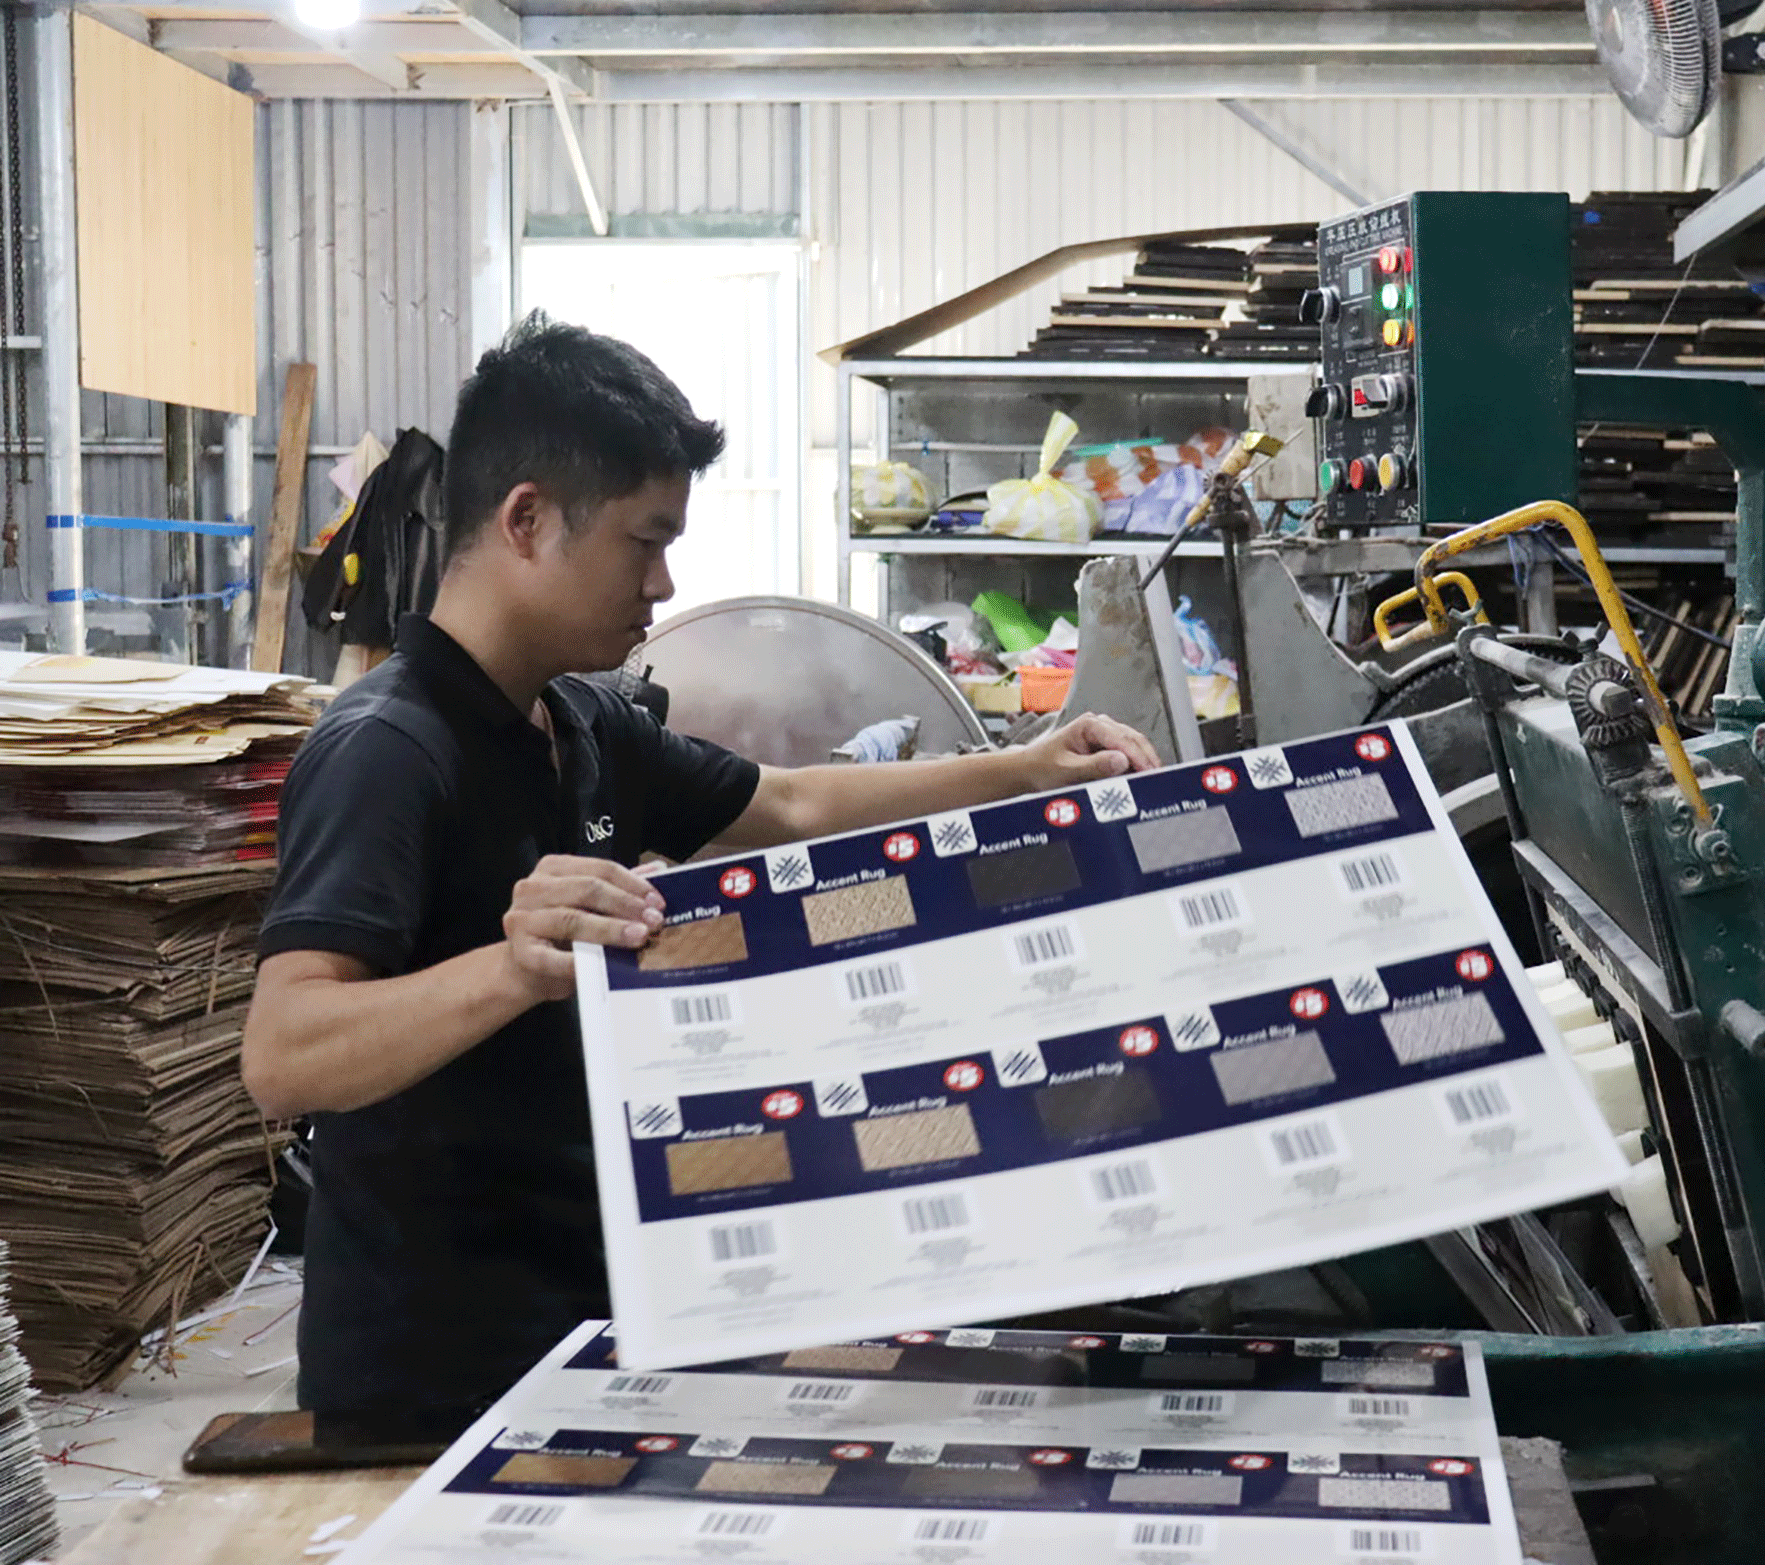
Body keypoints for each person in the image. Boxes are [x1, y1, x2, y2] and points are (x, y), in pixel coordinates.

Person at [242, 314, 1159, 1437]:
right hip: (433, 1380)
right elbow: (283, 1054)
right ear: (527, 518)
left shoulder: (581, 722)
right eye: (643, 540)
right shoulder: (388, 750)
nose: (665, 583)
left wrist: (1021, 769)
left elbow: (789, 802)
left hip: (587, 1329)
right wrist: (513, 965)